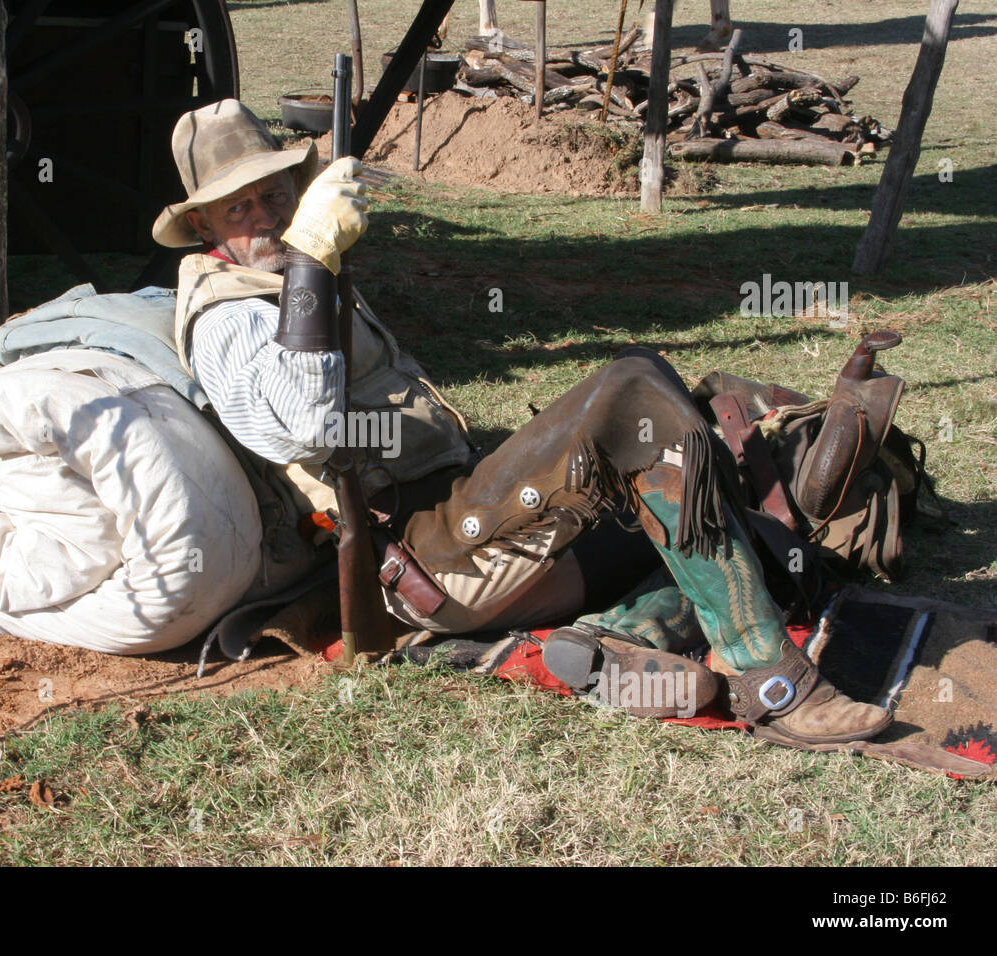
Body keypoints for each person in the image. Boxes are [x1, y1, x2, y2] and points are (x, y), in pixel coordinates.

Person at [152, 99, 890, 746]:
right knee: (631, 394)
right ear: (202, 225)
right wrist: (314, 261)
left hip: (456, 508)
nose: (266, 218)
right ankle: (770, 677)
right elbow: (311, 425)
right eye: (238, 208)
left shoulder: (279, 280)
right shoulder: (229, 316)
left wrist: (311, 267)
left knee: (684, 465)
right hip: (422, 554)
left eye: (275, 195)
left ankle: (619, 645)